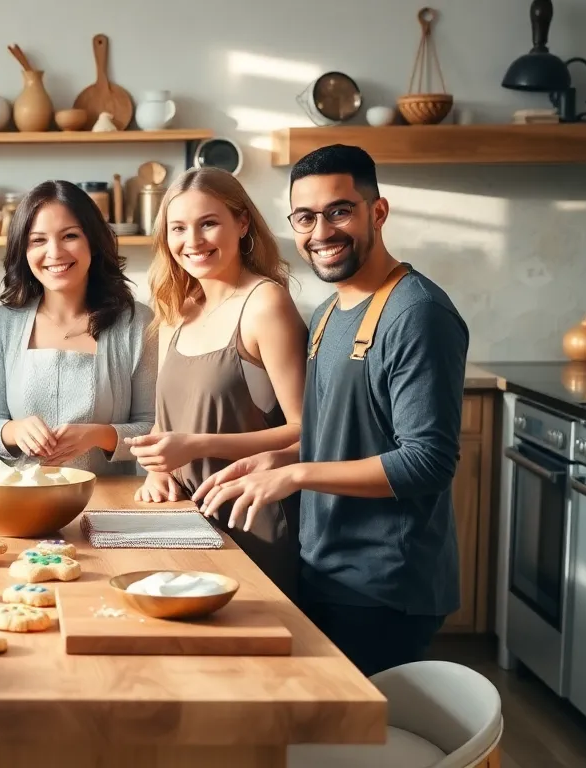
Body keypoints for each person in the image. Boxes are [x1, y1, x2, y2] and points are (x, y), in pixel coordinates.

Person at [193, 144, 468, 676]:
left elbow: (428, 462)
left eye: (339, 211)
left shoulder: (417, 314)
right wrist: (278, 461)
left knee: (352, 747)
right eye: (305, 217)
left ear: (377, 212)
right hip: (326, 568)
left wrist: (297, 474)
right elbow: (345, 435)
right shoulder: (326, 313)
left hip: (382, 586)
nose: (321, 231)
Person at [125, 167, 308, 597]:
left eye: (208, 223)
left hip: (254, 523)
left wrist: (198, 445)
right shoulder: (177, 308)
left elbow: (306, 433)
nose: (193, 241)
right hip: (188, 521)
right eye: (178, 228)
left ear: (242, 223)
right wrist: (158, 470)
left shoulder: (266, 304)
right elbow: (165, 424)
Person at [0, 180, 156, 474]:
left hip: (107, 500)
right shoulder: (4, 322)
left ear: (93, 243)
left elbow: (152, 426)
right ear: (23, 250)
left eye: (69, 236)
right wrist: (14, 430)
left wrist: (98, 434)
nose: (55, 252)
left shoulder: (137, 322)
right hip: (21, 500)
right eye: (38, 240)